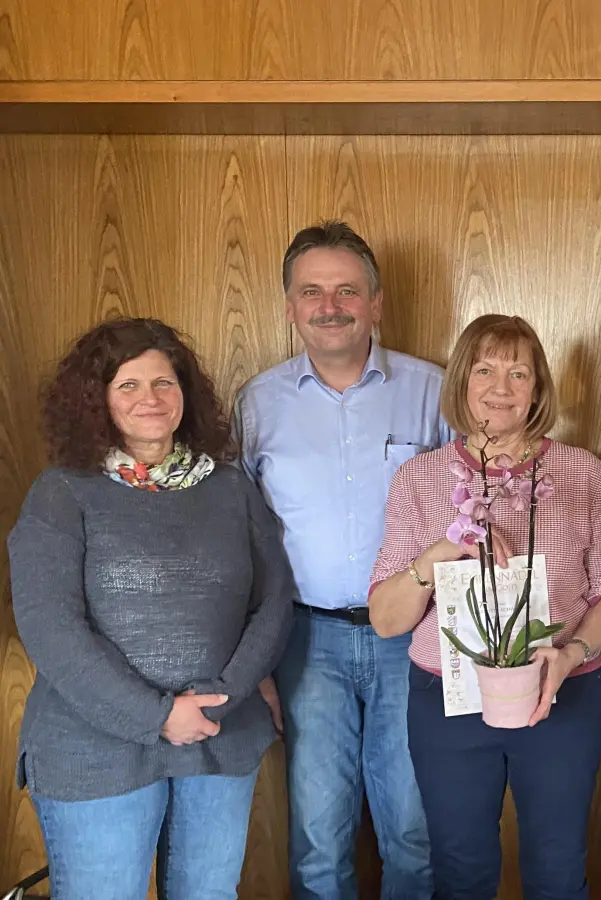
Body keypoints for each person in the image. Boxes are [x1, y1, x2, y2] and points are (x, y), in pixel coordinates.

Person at [9, 317, 295, 900]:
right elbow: (49, 625)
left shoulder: (229, 488)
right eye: (128, 386)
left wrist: (222, 694)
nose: (151, 399)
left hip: (218, 731)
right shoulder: (61, 494)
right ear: (96, 401)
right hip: (94, 747)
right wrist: (156, 714)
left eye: (164, 382)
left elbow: (273, 601)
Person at [368, 313, 601, 900]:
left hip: (559, 690)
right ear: (462, 380)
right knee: (460, 869)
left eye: (519, 372)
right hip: (448, 700)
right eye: (485, 370)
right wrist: (445, 549)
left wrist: (572, 655)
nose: (501, 387)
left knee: (560, 866)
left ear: (537, 388)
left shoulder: (582, 472)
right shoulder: (419, 479)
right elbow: (386, 619)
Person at [236, 220, 444, 899]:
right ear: (291, 306)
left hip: (412, 637)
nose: (331, 305)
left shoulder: (434, 391)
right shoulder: (257, 404)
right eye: (313, 291)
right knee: (319, 838)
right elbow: (239, 535)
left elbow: (473, 508)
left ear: (377, 303)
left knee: (414, 830)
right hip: (304, 642)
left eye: (348, 290)